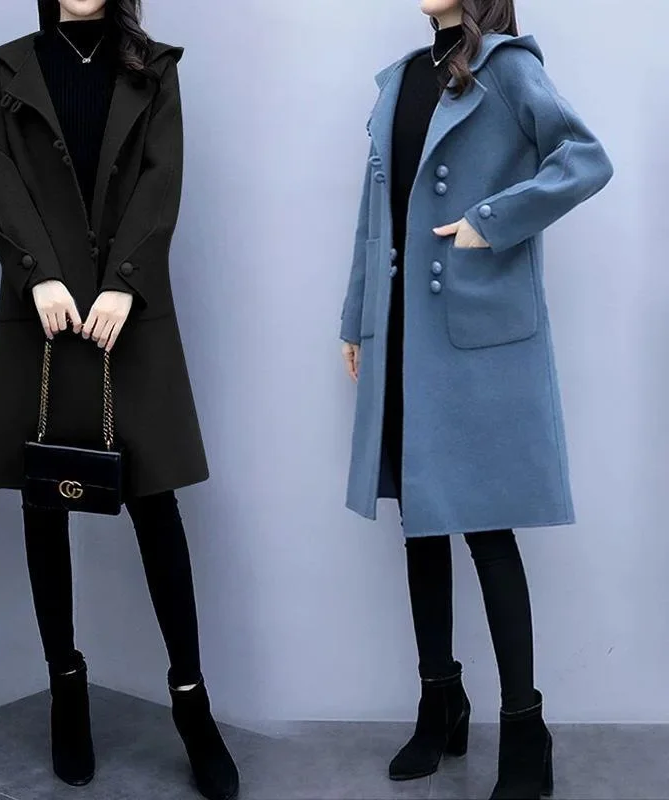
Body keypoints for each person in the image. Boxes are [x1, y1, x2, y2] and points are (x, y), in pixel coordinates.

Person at [339, 1, 612, 797]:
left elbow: (585, 159)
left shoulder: (507, 67)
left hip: (471, 333)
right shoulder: (400, 81)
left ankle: (525, 729)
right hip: (401, 329)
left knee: (487, 528)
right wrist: (357, 317)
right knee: (420, 526)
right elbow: (374, 215)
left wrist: (490, 221)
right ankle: (440, 702)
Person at [0, 2, 239, 798]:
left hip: (129, 313)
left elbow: (161, 178)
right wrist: (39, 275)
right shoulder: (8, 69)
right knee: (43, 499)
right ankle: (66, 690)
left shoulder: (154, 67)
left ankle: (191, 703)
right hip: (44, 314)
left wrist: (125, 282)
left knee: (156, 505)